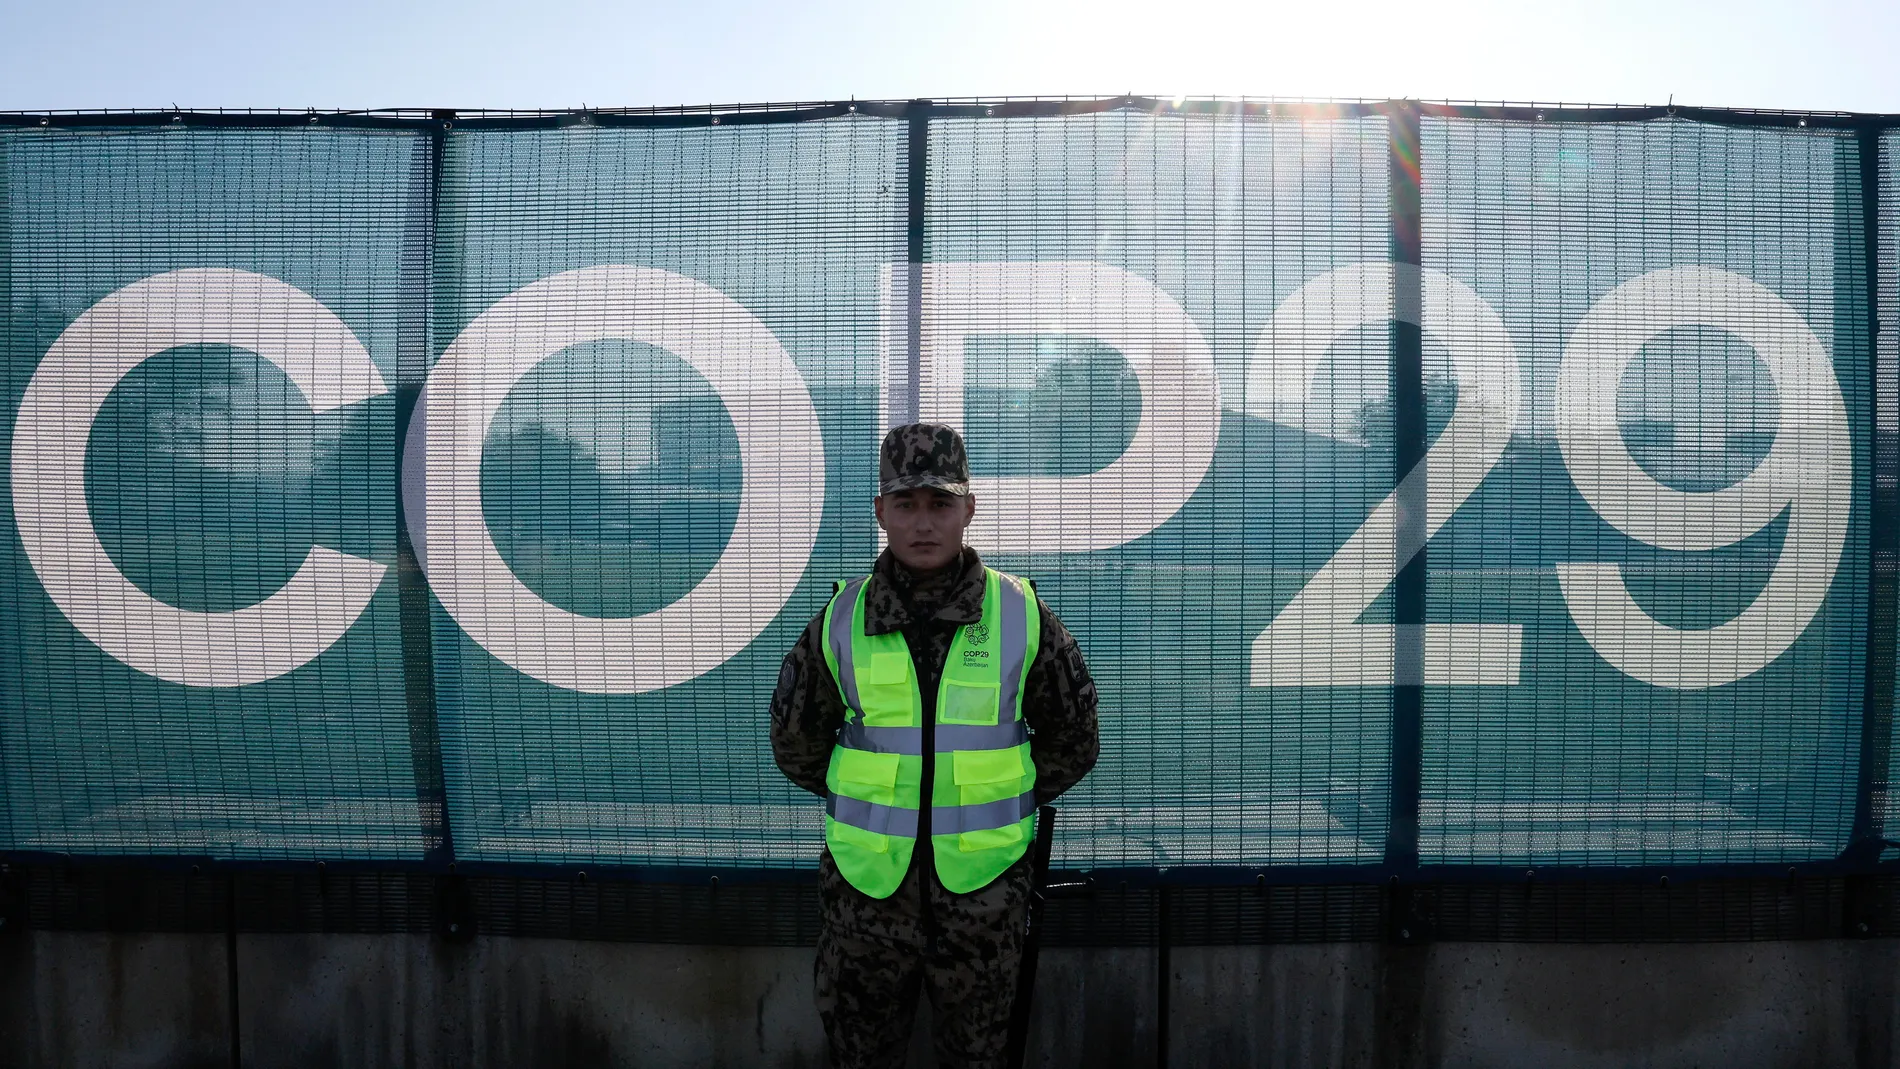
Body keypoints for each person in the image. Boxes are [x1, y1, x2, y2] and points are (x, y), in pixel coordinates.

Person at [770, 422, 1100, 1069]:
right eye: (906, 504)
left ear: (968, 509)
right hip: (866, 906)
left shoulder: (1021, 613)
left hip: (985, 902)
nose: (924, 522)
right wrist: (874, 799)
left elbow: (1075, 739)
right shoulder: (839, 621)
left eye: (940, 503)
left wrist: (996, 797)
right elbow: (795, 744)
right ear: (880, 512)